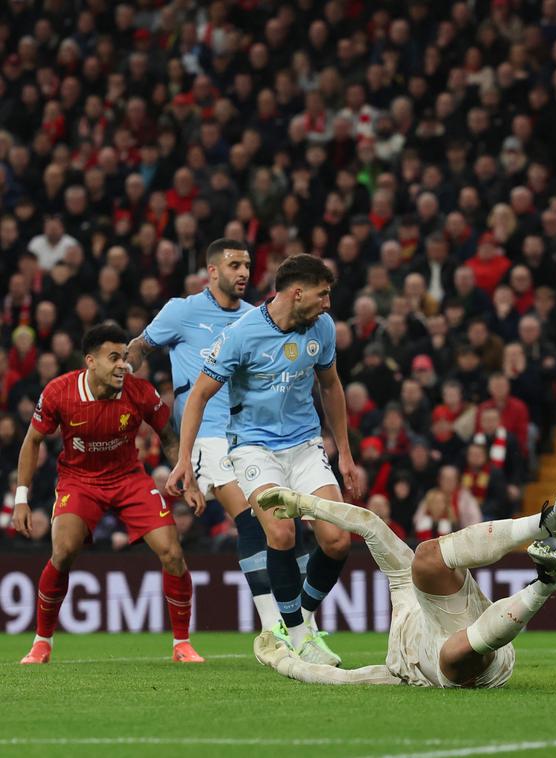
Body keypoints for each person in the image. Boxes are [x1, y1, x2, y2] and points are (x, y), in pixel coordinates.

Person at [166, 254, 363, 666]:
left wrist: (344, 452)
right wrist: (184, 460)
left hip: (305, 445)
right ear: (297, 292)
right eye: (322, 294)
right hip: (253, 448)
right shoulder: (241, 334)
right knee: (282, 533)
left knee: (337, 540)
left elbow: (331, 386)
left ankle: (302, 620)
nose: (328, 304)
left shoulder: (321, 329)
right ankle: (298, 638)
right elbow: (199, 395)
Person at [129, 237, 298, 647]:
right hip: (206, 436)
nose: (243, 272)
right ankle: (273, 625)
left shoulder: (254, 318)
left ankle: (298, 619)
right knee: (250, 519)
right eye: (235, 265)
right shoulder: (181, 312)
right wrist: (122, 376)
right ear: (213, 272)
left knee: (285, 526)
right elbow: (141, 346)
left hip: (251, 435)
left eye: (247, 265)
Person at [12, 323, 207, 664]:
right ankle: (42, 642)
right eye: (113, 357)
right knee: (63, 552)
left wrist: (187, 479)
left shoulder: (140, 392)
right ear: (90, 361)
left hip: (129, 478)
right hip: (79, 480)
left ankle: (182, 644)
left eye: (124, 357)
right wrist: (21, 499)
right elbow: (32, 441)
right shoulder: (59, 392)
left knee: (172, 552)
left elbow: (171, 438)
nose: (122, 365)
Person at [253, 488, 556, 689]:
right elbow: (344, 677)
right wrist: (282, 661)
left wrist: (305, 504)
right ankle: (545, 584)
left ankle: (544, 523)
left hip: (465, 620)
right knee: (451, 653)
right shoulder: (400, 673)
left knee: (426, 557)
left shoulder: (404, 583)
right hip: (469, 666)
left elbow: (369, 524)